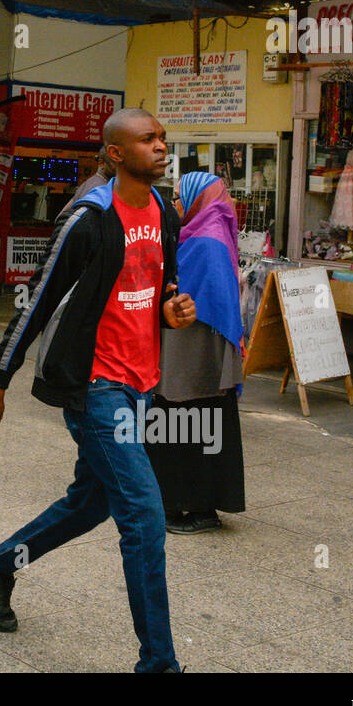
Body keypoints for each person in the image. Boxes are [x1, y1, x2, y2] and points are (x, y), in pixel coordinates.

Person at [0, 108, 196, 674]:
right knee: (143, 515)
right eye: (148, 140)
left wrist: (170, 309)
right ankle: (159, 665)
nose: (162, 147)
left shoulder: (165, 212)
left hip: (142, 382)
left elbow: (154, 285)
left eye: (163, 138)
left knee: (92, 502)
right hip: (96, 386)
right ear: (116, 154)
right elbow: (36, 302)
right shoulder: (87, 221)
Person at [148, 171, 247, 534]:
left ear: (196, 199)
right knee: (197, 427)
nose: (175, 204)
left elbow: (202, 297)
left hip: (193, 353)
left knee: (181, 425)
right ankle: (197, 505)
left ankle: (183, 507)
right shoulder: (203, 232)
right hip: (198, 354)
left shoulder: (206, 241)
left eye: (179, 197)